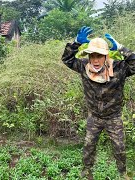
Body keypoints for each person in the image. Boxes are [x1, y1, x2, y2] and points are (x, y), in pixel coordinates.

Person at [62, 26, 134, 179]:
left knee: (119, 147)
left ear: (106, 56)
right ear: (88, 56)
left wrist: (121, 48)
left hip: (113, 117)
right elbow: (67, 59)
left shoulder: (119, 68)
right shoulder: (83, 66)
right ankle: (87, 170)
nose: (95, 60)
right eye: (92, 55)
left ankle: (123, 173)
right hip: (94, 117)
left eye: (99, 56)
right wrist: (75, 43)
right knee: (89, 145)